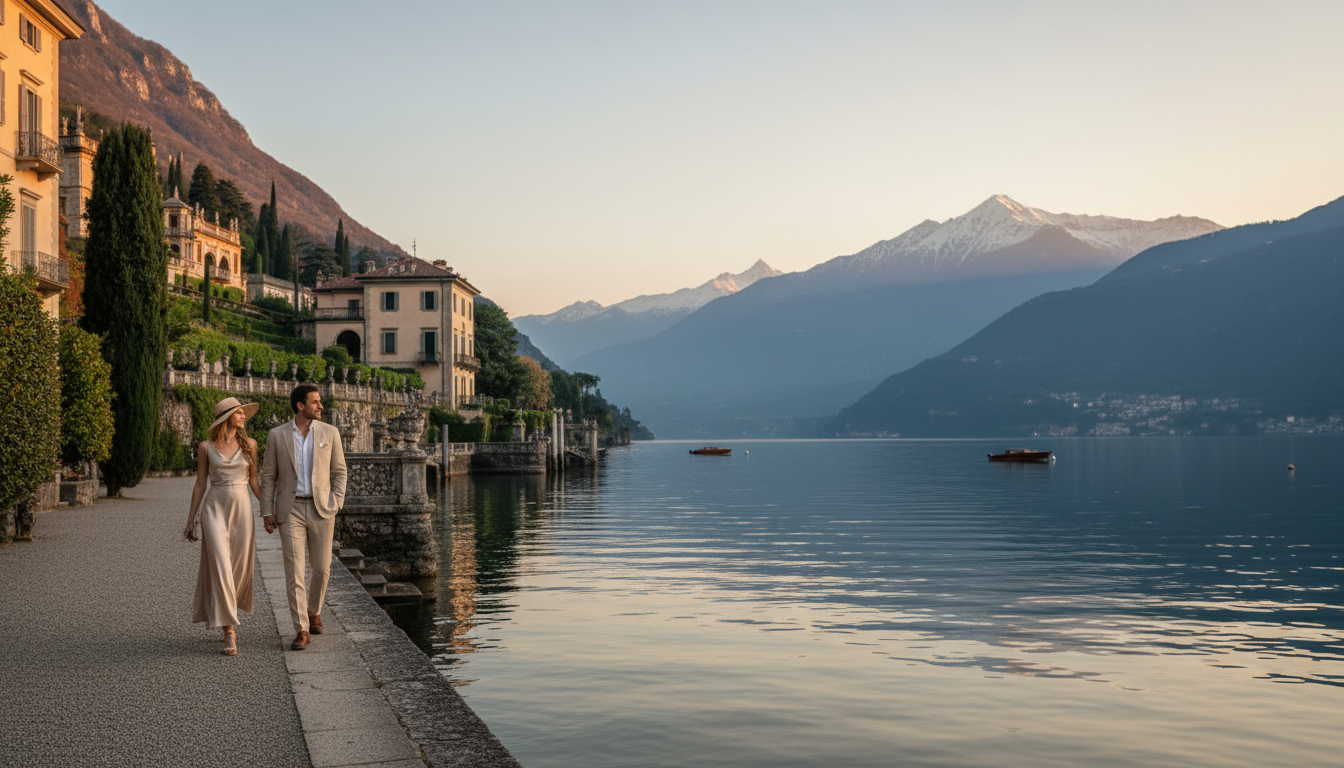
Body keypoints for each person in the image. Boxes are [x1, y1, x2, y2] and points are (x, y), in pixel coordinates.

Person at [259, 384, 347, 650]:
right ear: (300, 405)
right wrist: (267, 511)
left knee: (322, 568)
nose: (321, 406)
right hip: (291, 509)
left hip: (322, 509)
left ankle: (313, 611)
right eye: (315, 402)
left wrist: (336, 502)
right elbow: (268, 476)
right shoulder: (277, 435)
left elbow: (340, 472)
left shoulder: (330, 432)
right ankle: (302, 629)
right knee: (294, 572)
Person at [183, 396, 261, 656]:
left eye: (243, 412)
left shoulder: (251, 444)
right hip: (214, 510)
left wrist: (270, 510)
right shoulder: (206, 447)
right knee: (220, 566)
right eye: (238, 412)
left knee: (237, 570)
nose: (243, 416)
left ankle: (225, 612)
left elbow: (254, 481)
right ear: (226, 417)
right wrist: (191, 519)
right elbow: (200, 484)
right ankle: (229, 631)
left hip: (242, 511)